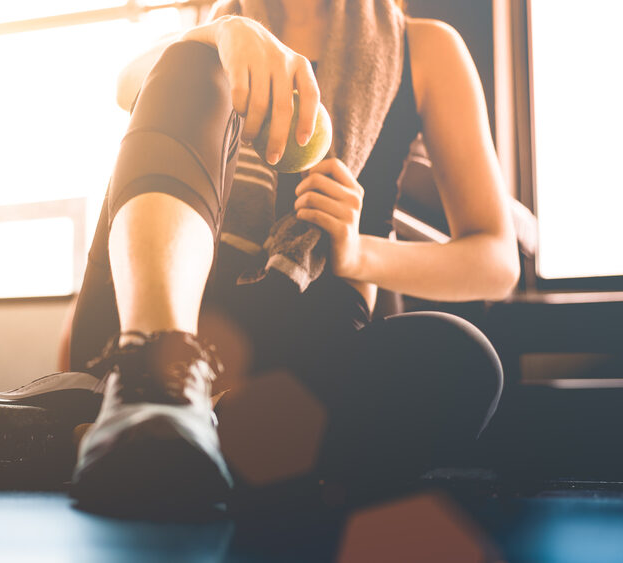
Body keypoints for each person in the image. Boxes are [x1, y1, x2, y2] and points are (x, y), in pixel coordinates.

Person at [68, 0, 518, 510]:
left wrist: (356, 253)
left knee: (459, 361)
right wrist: (224, 34)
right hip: (153, 331)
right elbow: (126, 82)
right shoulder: (213, 35)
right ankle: (156, 389)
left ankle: (121, 431)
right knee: (194, 57)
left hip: (303, 360)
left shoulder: (426, 46)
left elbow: (496, 262)